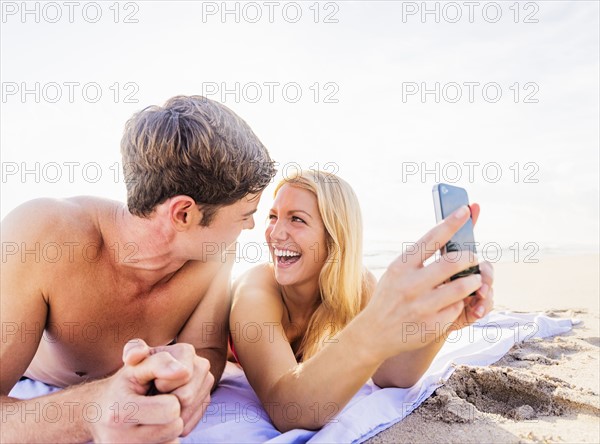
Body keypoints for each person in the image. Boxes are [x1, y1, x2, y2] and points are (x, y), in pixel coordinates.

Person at [0, 96, 277, 443]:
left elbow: (207, 351)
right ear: (183, 214)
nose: (252, 224)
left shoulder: (214, 254)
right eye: (244, 212)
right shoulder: (43, 237)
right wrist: (92, 409)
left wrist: (188, 376)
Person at [230, 169, 495, 432]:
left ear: (335, 236)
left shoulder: (357, 283)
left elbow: (391, 374)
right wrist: (374, 324)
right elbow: (289, 410)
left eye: (296, 219)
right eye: (273, 217)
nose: (275, 234)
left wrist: (444, 320)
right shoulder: (255, 289)